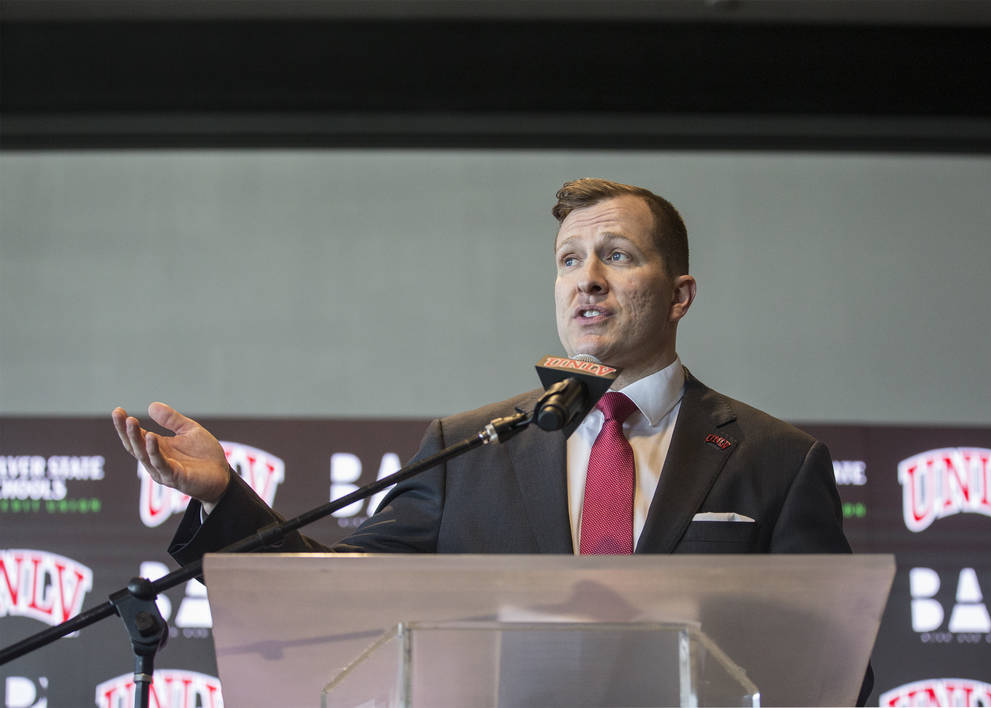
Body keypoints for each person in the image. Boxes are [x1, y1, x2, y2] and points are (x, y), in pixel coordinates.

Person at [113, 178, 871, 701]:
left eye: (618, 255)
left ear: (680, 294)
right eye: (569, 260)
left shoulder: (777, 460)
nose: (588, 280)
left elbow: (837, 668)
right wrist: (223, 494)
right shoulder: (473, 446)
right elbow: (329, 593)